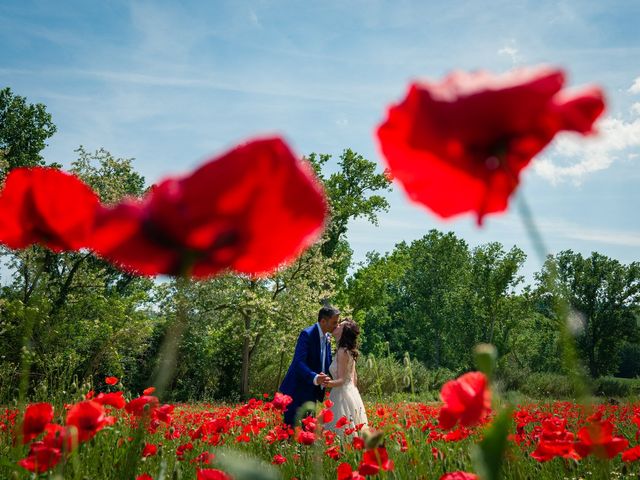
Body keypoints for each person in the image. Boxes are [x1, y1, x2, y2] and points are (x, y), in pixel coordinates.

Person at [279, 305, 340, 426]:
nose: (336, 326)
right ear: (323, 321)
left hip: (312, 392)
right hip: (297, 391)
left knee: (307, 434)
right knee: (289, 434)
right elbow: (298, 362)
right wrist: (315, 377)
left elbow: (325, 362)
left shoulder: (327, 337)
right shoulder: (307, 334)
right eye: (334, 322)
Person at [324, 319, 368, 432]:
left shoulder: (342, 352)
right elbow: (354, 378)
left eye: (340, 325)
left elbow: (342, 380)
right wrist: (352, 395)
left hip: (341, 395)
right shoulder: (347, 350)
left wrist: (324, 382)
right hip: (349, 393)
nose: (336, 326)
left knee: (340, 431)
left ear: (344, 332)